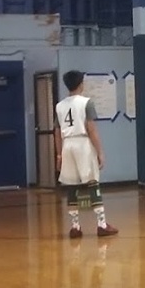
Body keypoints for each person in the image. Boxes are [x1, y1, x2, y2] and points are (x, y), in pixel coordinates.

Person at [54, 70, 118, 238]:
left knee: (71, 186)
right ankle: (102, 224)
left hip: (67, 144)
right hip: (82, 142)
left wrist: (59, 155)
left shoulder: (59, 106)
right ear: (81, 84)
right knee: (92, 182)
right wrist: (100, 152)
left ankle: (75, 227)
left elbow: (57, 131)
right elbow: (91, 128)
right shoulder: (86, 103)